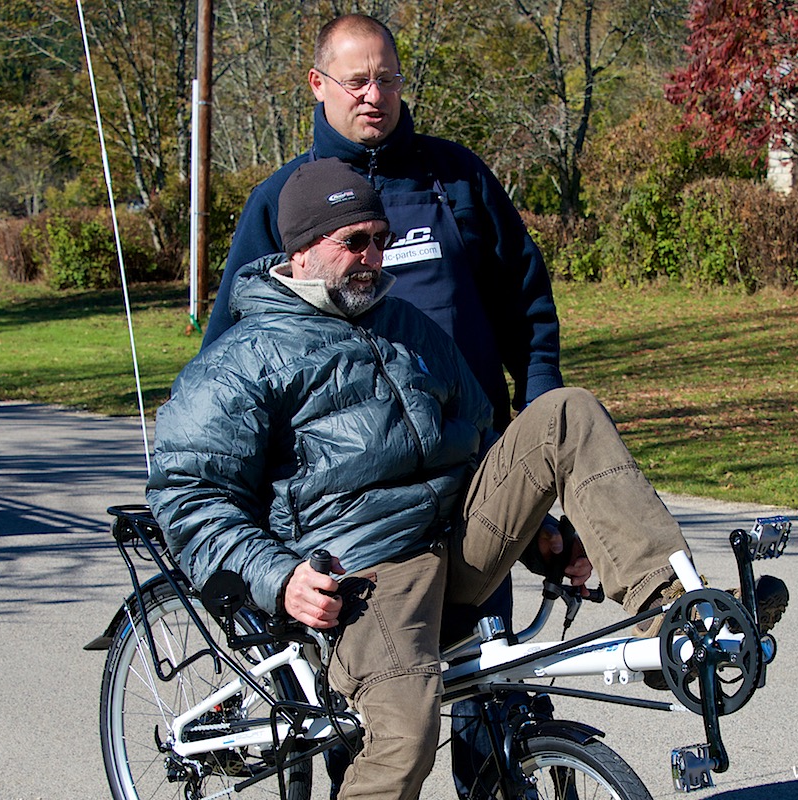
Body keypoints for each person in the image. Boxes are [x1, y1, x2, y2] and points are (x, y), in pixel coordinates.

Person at [148, 159, 695, 800]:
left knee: (564, 413)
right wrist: (281, 576)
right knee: (406, 738)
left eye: (380, 238)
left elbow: (481, 440)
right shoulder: (243, 361)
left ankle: (674, 617)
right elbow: (186, 496)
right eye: (354, 242)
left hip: (457, 542)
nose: (374, 257)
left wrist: (539, 528)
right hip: (365, 575)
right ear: (299, 251)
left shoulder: (407, 326)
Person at [205, 18, 561, 787]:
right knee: (376, 729)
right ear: (318, 85)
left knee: (489, 699)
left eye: (389, 79)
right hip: (353, 521)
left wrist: (537, 455)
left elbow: (529, 318)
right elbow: (233, 373)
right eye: (357, 81)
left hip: (469, 486)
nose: (375, 96)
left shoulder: (458, 181)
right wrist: (267, 552)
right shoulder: (280, 202)